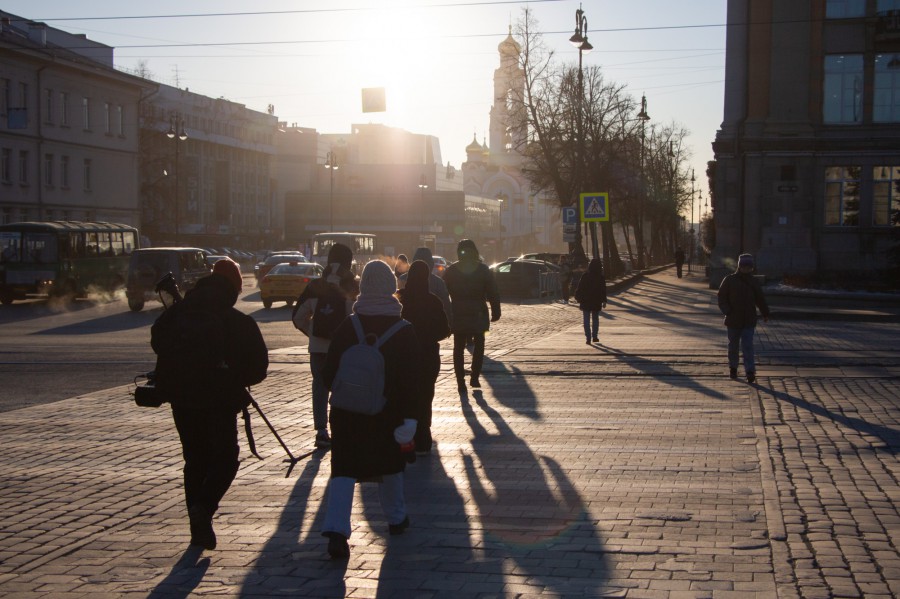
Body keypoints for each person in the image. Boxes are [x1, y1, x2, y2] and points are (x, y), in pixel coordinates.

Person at [150, 257, 268, 550]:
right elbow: (259, 368)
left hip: (181, 398)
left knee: (195, 460)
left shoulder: (178, 311)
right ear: (234, 288)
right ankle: (203, 508)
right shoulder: (237, 322)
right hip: (219, 401)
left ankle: (197, 527)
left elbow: (157, 341)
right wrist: (233, 375)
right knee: (226, 458)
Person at [320, 260, 422, 559]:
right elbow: (413, 381)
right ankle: (396, 518)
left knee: (343, 470)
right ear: (391, 286)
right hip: (387, 413)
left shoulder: (348, 325)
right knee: (390, 465)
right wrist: (410, 418)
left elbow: (328, 373)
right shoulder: (403, 330)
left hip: (346, 412)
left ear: (363, 286)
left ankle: (336, 531)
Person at [292, 243, 359, 449]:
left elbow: (298, 317)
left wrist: (313, 333)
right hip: (345, 350)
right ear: (349, 262)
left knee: (320, 387)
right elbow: (359, 318)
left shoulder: (315, 286)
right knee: (344, 387)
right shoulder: (353, 287)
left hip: (318, 349)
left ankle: (321, 431)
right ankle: (343, 428)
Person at [397, 260, 451, 454]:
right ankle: (423, 437)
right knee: (426, 396)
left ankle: (406, 437)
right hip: (428, 355)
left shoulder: (401, 299)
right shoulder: (433, 301)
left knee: (405, 396)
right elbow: (444, 330)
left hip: (403, 357)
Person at [443, 239, 500, 392]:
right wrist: (496, 310)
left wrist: (445, 313)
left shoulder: (451, 270)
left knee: (458, 348)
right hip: (478, 313)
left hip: (458, 312)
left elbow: (443, 293)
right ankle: (474, 377)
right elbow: (493, 292)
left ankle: (460, 381)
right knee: (479, 345)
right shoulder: (483, 269)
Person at [717, 253, 770, 383]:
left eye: (749, 267)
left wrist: (765, 313)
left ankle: (750, 371)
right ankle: (733, 368)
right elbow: (721, 297)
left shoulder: (754, 281)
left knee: (748, 347)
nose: (747, 269)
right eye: (744, 266)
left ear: (752, 267)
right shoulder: (729, 280)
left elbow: (760, 299)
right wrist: (727, 311)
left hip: (749, 319)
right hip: (733, 319)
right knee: (733, 346)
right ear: (739, 266)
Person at [397, 246, 453, 327]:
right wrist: (449, 323)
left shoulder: (402, 279)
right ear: (431, 264)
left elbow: (397, 302)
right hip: (431, 325)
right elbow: (446, 305)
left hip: (407, 324)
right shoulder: (438, 282)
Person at [574, 258, 607, 344]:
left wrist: (578, 297)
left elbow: (580, 287)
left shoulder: (585, 276)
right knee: (595, 319)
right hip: (596, 300)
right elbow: (603, 290)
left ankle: (588, 337)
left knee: (586, 319)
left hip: (585, 300)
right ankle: (595, 336)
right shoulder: (600, 277)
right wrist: (604, 300)